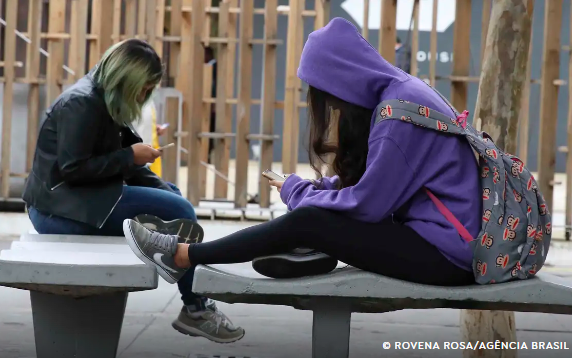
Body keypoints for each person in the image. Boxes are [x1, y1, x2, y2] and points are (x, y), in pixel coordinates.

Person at [122, 18, 480, 288]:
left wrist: (299, 192)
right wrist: (320, 190)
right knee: (312, 221)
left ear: (338, 82)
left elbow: (368, 205)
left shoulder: (397, 113)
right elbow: (389, 180)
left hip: (449, 255)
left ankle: (182, 256)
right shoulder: (406, 93)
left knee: (308, 221)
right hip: (442, 238)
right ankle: (308, 245)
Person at [22, 39, 245, 343]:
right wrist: (130, 157)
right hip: (57, 209)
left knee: (174, 198)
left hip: (82, 200)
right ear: (128, 79)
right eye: (143, 88)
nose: (144, 95)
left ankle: (172, 263)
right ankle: (196, 308)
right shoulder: (82, 103)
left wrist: (156, 182)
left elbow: (129, 165)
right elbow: (74, 170)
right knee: (180, 212)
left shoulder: (104, 99)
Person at [134, 100, 168, 177]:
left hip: (152, 152)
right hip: (139, 156)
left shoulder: (150, 101)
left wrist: (154, 128)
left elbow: (145, 121)